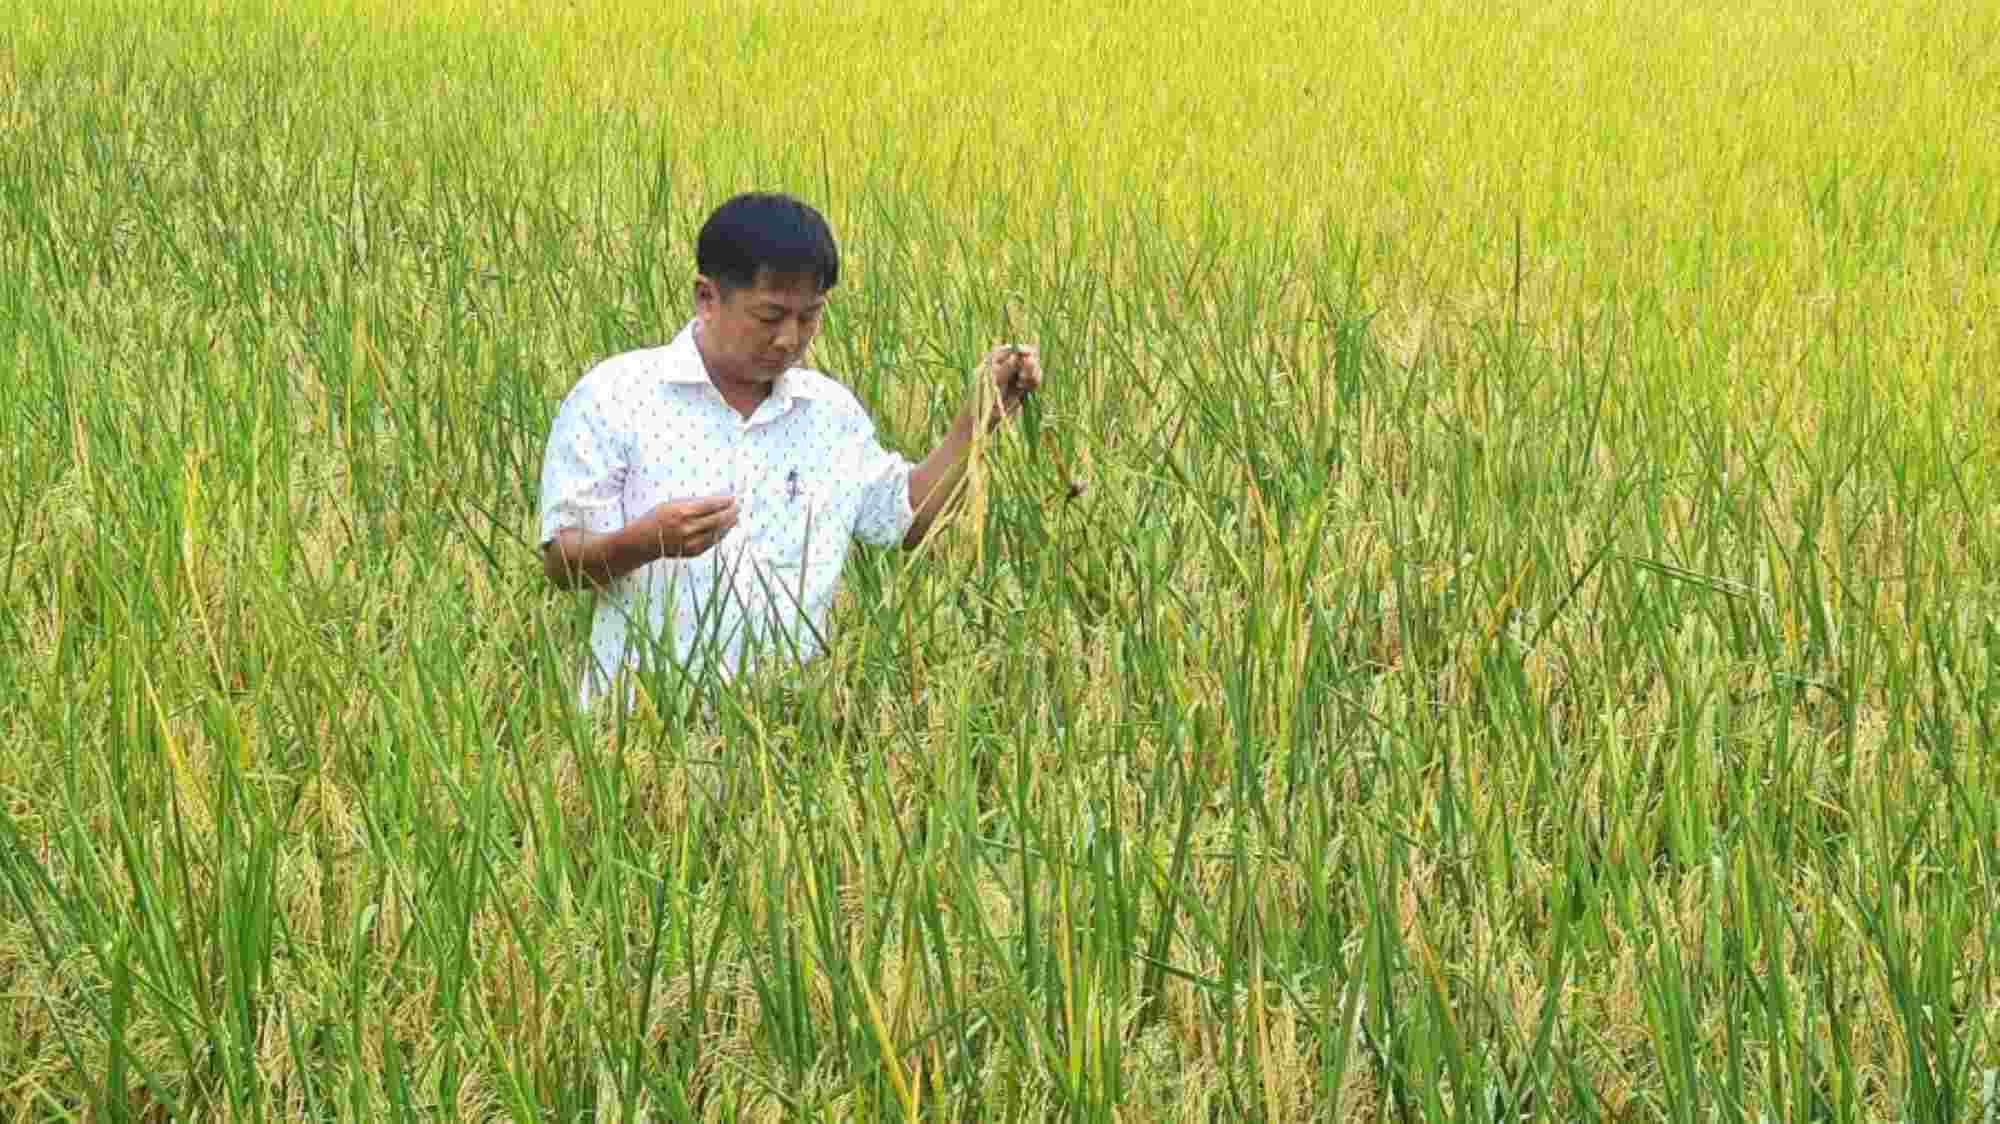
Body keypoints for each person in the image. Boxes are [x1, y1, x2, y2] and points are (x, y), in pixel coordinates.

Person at [537, 192, 1043, 706]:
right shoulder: (616, 396)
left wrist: (977, 419)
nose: (789, 338)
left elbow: (907, 520)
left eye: (809, 317)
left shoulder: (829, 414)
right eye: (769, 315)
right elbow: (563, 561)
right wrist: (647, 541)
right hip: (640, 726)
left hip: (788, 734)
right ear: (706, 298)